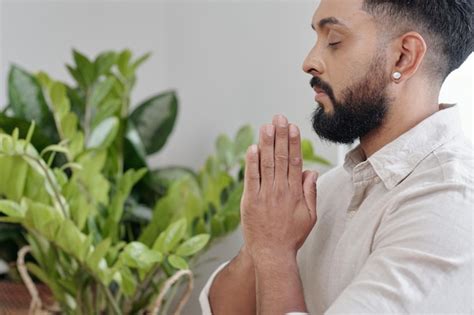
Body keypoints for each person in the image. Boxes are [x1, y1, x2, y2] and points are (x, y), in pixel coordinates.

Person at [200, 0, 473, 314]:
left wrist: (275, 255)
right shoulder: (329, 191)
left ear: (404, 56)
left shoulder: (451, 206)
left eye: (334, 41)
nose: (309, 62)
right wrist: (261, 243)